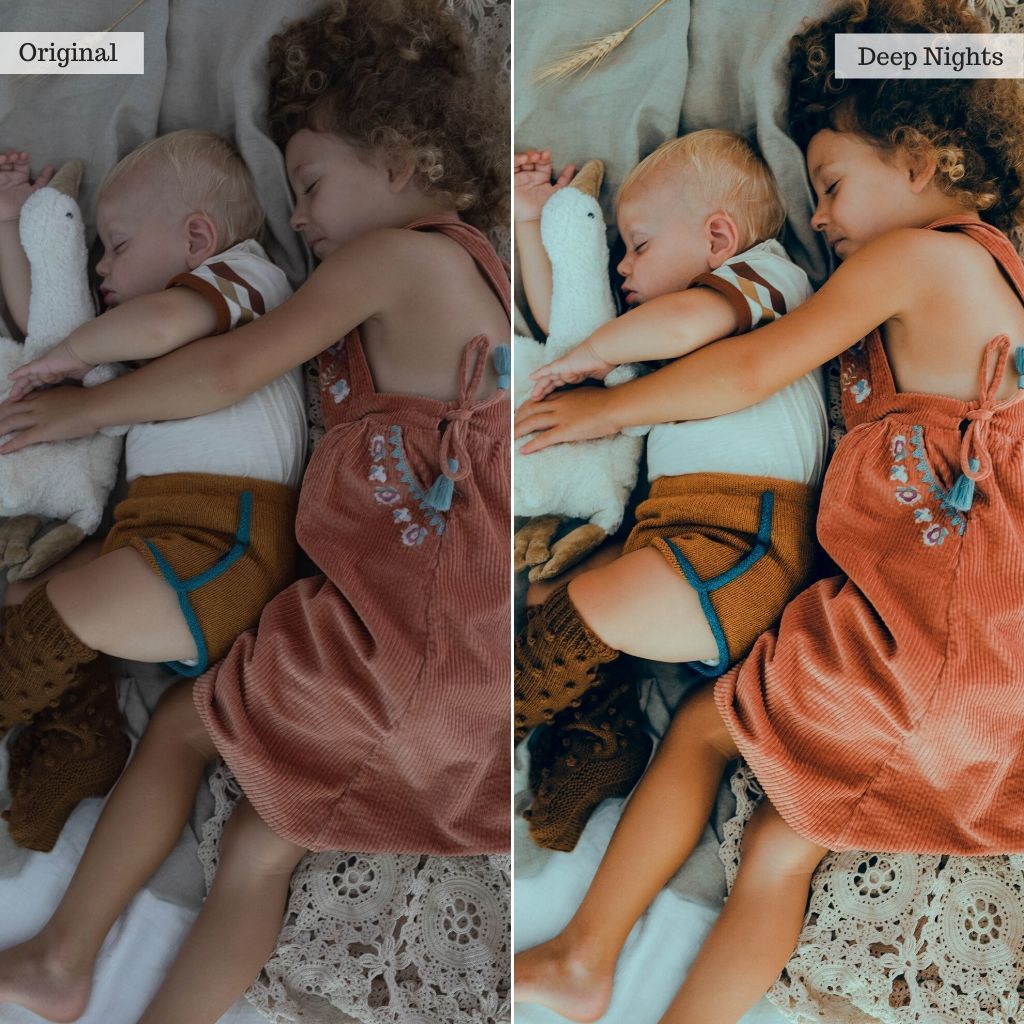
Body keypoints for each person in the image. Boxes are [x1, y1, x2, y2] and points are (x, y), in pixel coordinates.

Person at [514, 0, 1024, 1020]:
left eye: (829, 184)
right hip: (990, 674)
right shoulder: (998, 276)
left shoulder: (922, 259)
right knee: (783, 842)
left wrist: (601, 409)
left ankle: (583, 951)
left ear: (920, 159)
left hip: (934, 638)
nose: (819, 218)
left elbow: (752, 368)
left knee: (705, 728)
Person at [0, 0, 509, 1020]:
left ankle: (61, 956)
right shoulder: (479, 280)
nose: (302, 220)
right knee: (257, 848)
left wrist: (81, 410)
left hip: (412, 633)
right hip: (457, 661)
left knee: (183, 727)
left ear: (399, 160)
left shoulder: (401, 258)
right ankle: (92, 982)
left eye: (310, 186)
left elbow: (230, 367)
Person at [513, 130, 827, 851]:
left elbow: (663, 325)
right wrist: (530, 221)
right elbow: (571, 324)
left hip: (745, 544)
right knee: (550, 593)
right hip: (675, 533)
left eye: (640, 245)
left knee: (591, 607)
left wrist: (596, 356)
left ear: (719, 237)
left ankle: (495, 715)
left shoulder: (768, 279)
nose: (623, 266)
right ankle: (601, 741)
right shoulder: (656, 339)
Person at [0, 129, 305, 852]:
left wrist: (76, 353)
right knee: (28, 595)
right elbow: (47, 327)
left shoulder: (247, 279)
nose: (101, 266)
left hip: (224, 545)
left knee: (66, 610)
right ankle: (79, 740)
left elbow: (149, 324)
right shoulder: (133, 341)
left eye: (117, 245)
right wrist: (9, 223)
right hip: (155, 535)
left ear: (198, 237)